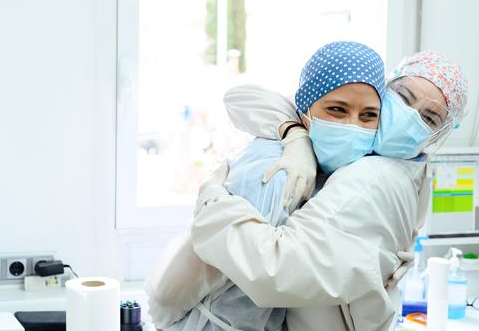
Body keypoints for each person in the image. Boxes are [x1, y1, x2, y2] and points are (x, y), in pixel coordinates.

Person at [191, 50, 468, 330]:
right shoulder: (364, 140)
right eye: (405, 98)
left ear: (439, 134)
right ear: (386, 87)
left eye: (429, 119)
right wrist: (293, 132)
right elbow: (243, 98)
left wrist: (212, 201)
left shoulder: (373, 178)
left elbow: (275, 270)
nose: (408, 116)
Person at [145, 41, 386, 330]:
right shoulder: (278, 172)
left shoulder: (356, 176)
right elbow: (189, 275)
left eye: (369, 115)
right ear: (304, 108)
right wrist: (294, 133)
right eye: (337, 109)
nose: (353, 125)